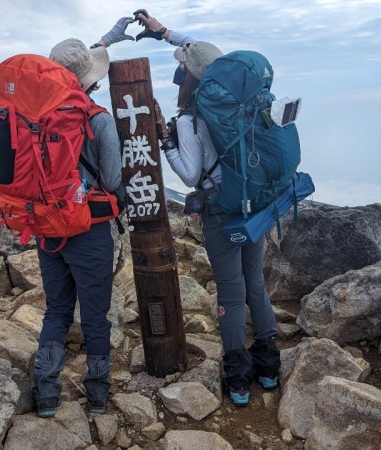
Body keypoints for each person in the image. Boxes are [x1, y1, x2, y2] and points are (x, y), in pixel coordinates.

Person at [135, 11, 281, 406]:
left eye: (180, 72)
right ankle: (268, 369)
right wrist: (164, 33)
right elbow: (204, 54)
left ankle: (237, 379)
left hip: (220, 214)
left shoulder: (190, 118)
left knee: (231, 295)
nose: (176, 77)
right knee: (256, 287)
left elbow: (188, 175)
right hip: (255, 206)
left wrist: (166, 142)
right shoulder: (242, 104)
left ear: (187, 78)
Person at [32, 18, 134, 418]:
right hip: (88, 229)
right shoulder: (98, 119)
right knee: (95, 314)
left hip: (46, 229)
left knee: (56, 310)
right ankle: (96, 396)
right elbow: (111, 179)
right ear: (89, 79)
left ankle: (46, 394)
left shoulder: (33, 118)